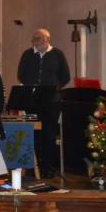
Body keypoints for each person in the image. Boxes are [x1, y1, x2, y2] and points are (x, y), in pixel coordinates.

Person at [16, 28, 71, 178]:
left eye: (39, 38)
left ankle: (48, 167)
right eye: (34, 38)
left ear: (47, 39)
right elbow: (21, 74)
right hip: (32, 101)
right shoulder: (27, 54)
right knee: (34, 133)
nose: (36, 41)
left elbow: (66, 76)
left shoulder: (57, 54)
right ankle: (35, 166)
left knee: (49, 134)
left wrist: (54, 88)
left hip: (51, 102)